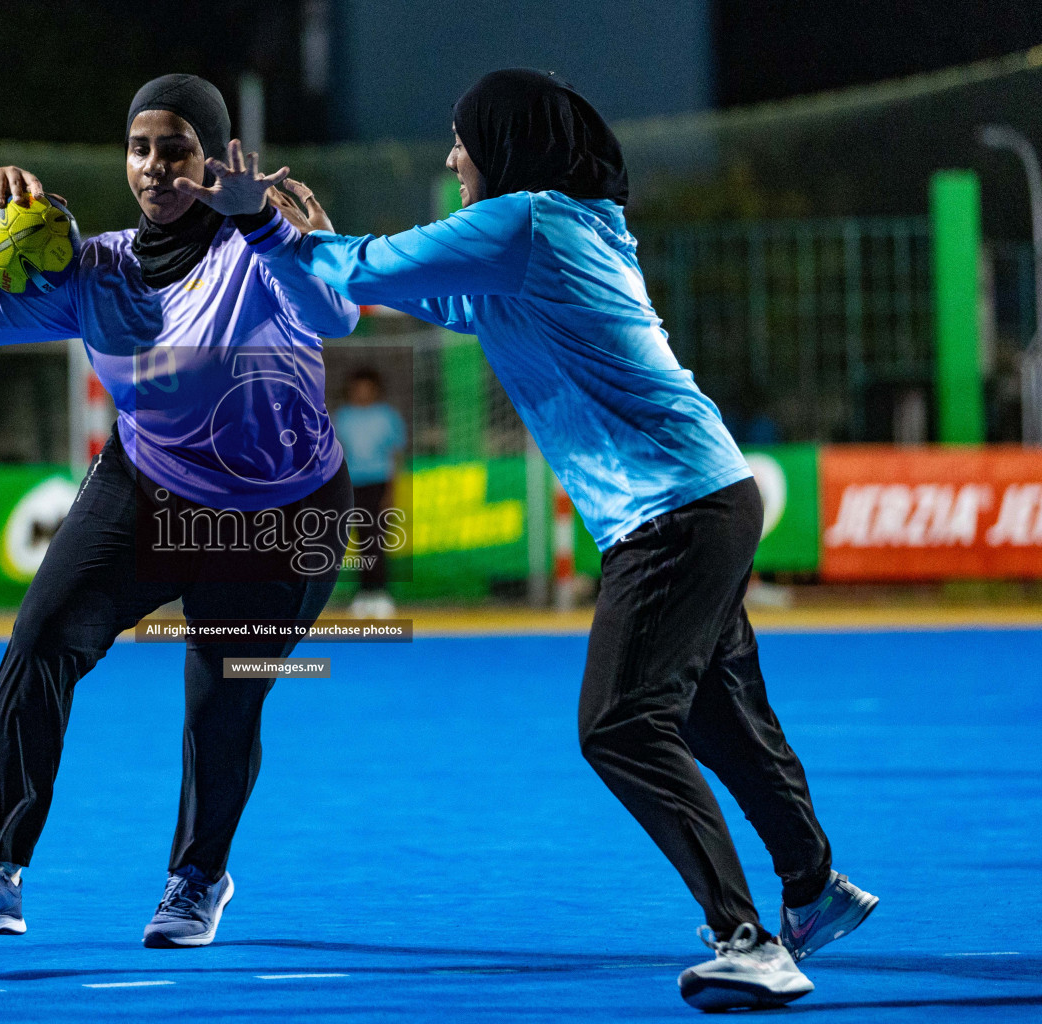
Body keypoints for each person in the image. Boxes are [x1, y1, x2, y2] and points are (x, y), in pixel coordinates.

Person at [185, 69, 878, 1011]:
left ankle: (746, 940)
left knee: (621, 725)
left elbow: (367, 267)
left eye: (461, 137)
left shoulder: (528, 224)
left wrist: (264, 223)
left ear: (506, 144)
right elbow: (363, 288)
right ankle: (814, 888)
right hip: (706, 495)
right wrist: (291, 242)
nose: (450, 156)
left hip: (671, 513)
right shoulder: (552, 237)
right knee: (716, 713)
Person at [0, 73, 358, 948]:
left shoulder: (258, 251)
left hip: (279, 511)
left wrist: (269, 226)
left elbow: (336, 312)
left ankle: (198, 880)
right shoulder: (97, 265)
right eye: (140, 148)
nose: (155, 167)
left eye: (177, 149)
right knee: (41, 642)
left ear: (215, 159)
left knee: (222, 697)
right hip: (145, 483)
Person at [332, 367, 405, 617]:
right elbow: (335, 456)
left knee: (378, 539)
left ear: (374, 389)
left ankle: (381, 594)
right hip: (350, 486)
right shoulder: (341, 417)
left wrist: (391, 492)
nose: (362, 392)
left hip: (379, 483)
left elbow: (395, 455)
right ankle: (363, 594)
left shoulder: (387, 416)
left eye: (367, 387)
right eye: (357, 387)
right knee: (359, 541)